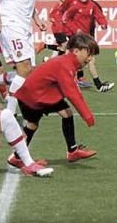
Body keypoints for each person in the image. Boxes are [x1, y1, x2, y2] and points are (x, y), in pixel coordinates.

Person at [14, 33, 100, 164]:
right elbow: (72, 93)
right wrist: (87, 116)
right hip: (33, 96)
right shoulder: (65, 65)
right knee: (32, 125)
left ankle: (72, 152)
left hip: (41, 93)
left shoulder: (68, 62)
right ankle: (17, 158)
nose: (90, 59)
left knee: (66, 113)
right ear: (76, 51)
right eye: (89, 54)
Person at [62, 0, 115, 92]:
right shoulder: (75, 6)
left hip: (85, 38)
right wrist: (75, 29)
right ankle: (98, 85)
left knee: (82, 61)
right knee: (87, 60)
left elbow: (99, 15)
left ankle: (68, 82)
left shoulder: (92, 5)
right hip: (77, 38)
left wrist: (103, 23)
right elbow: (65, 19)